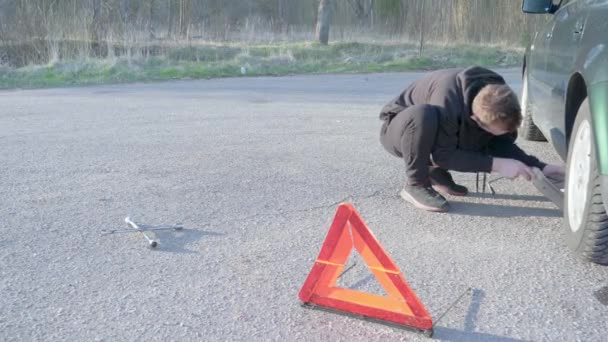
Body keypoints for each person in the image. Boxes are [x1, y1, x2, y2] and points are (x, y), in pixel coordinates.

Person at [379, 66, 564, 212]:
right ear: (476, 119)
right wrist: (498, 165)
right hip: (400, 130)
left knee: (476, 136)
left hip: (442, 128)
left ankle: (433, 172)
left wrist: (542, 167)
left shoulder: (497, 94)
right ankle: (416, 183)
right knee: (424, 115)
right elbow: (444, 155)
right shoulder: (448, 101)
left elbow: (501, 145)